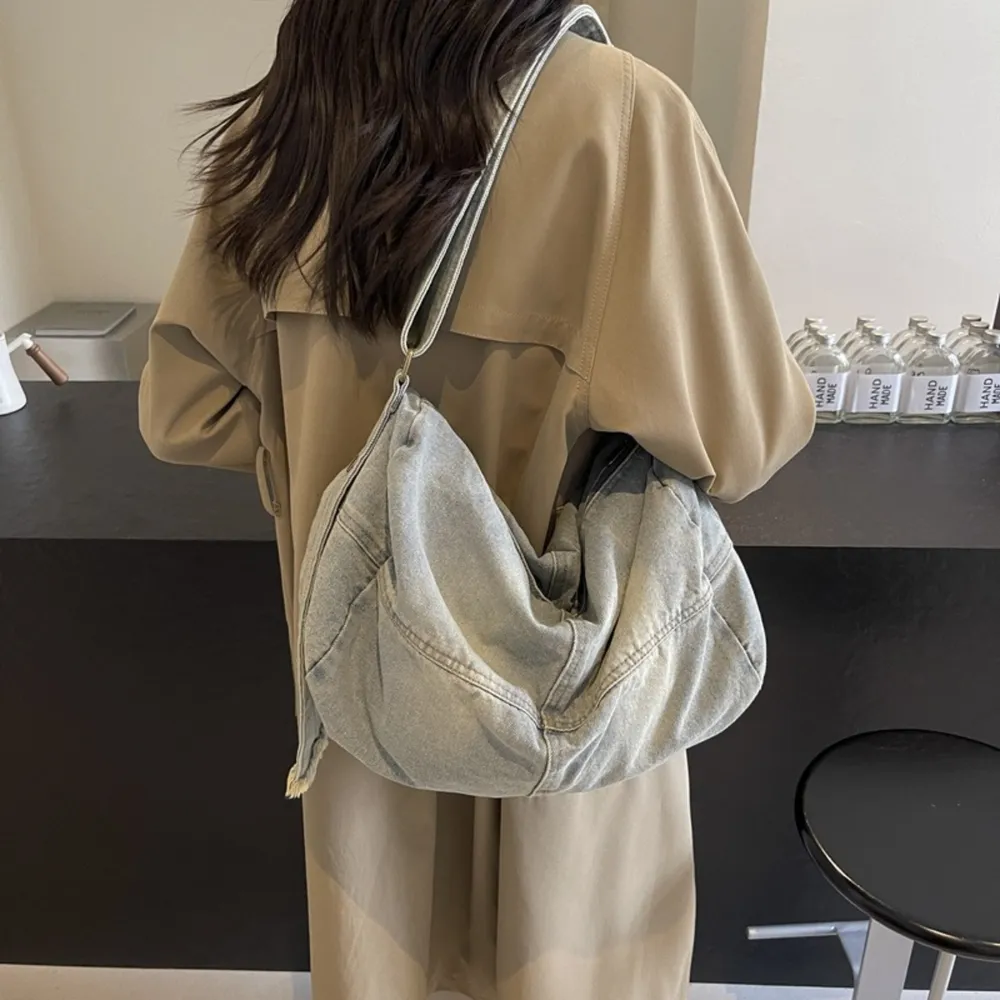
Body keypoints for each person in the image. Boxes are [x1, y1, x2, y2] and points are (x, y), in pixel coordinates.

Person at [139, 1, 814, 997]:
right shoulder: (621, 115)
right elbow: (743, 439)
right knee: (568, 952)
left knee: (383, 954)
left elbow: (185, 412)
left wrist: (339, 466)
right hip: (569, 713)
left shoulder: (288, 125)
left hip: (369, 709)